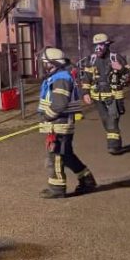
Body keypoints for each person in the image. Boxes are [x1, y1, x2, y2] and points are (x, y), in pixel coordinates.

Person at [38, 47, 96, 198]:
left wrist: (47, 116)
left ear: (53, 63)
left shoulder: (61, 79)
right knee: (67, 155)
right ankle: (87, 180)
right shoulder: (59, 77)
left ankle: (57, 189)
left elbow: (59, 104)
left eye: (45, 63)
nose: (44, 66)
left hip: (59, 124)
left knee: (56, 156)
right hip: (59, 123)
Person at [80, 34, 130, 155]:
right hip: (97, 96)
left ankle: (113, 146)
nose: (98, 48)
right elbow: (87, 78)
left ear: (107, 45)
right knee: (105, 120)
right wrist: (85, 93)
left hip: (114, 95)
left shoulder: (116, 58)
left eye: (101, 45)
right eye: (96, 45)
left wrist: (121, 68)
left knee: (112, 120)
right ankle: (115, 141)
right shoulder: (91, 59)